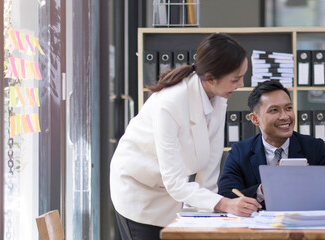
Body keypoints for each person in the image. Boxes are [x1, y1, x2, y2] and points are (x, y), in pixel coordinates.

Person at [109, 33, 262, 240]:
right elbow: (174, 182)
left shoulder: (218, 97)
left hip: (171, 194)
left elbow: (210, 163)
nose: (241, 84)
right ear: (211, 78)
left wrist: (209, 215)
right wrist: (225, 203)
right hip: (139, 190)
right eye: (235, 79)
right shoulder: (170, 103)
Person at [218, 80, 325, 205]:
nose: (285, 116)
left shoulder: (315, 148)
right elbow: (226, 195)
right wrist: (265, 188)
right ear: (255, 119)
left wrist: (308, 182)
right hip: (258, 223)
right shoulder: (240, 152)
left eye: (288, 108)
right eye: (274, 110)